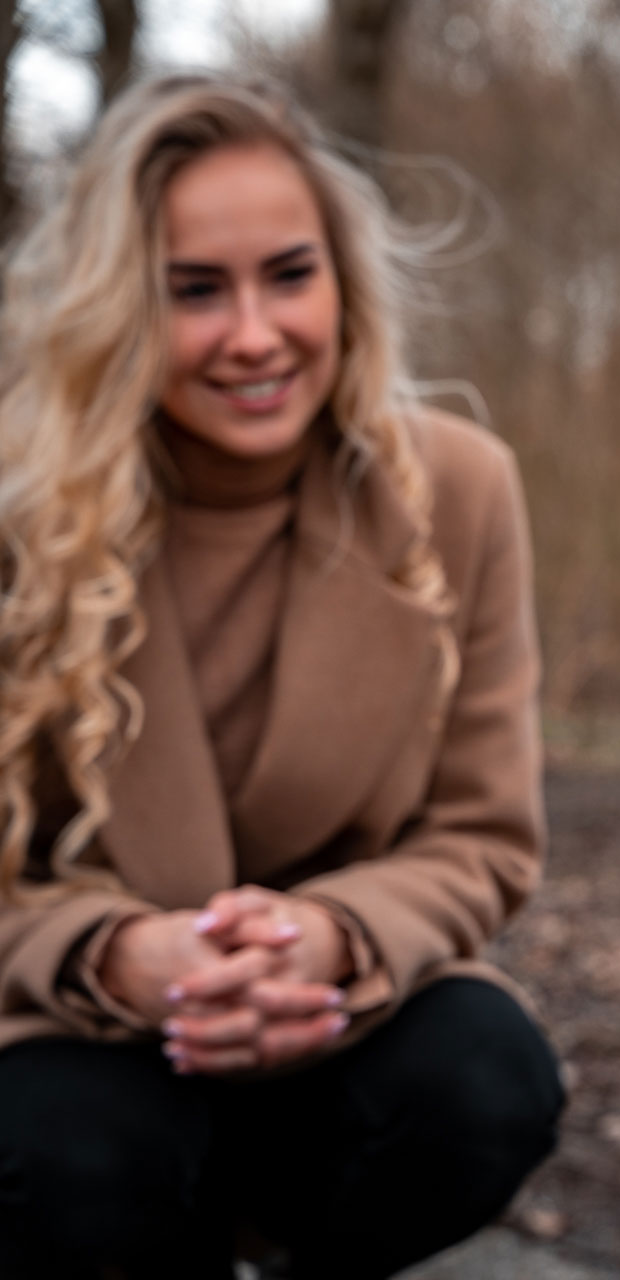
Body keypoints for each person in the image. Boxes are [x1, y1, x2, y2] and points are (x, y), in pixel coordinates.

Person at [0, 74, 564, 1279]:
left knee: (485, 1075)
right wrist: (115, 953)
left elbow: (484, 837)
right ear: (117, 307)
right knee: (70, 1154)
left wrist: (333, 933)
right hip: (75, 1034)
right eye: (194, 290)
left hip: (332, 1024)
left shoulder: (456, 490)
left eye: (289, 274)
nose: (254, 334)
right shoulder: (18, 504)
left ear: (344, 283)